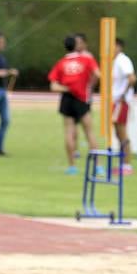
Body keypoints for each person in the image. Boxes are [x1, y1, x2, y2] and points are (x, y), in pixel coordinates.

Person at [47, 35, 101, 175]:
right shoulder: (87, 59)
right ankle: (98, 165)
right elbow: (97, 74)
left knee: (69, 132)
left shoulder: (61, 63)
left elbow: (53, 86)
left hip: (67, 99)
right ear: (76, 46)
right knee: (89, 132)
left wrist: (67, 88)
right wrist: (90, 85)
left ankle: (72, 167)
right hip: (81, 98)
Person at [111, 37, 136, 174]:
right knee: (117, 132)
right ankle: (123, 163)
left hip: (121, 102)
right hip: (115, 101)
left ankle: (127, 165)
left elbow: (131, 78)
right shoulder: (114, 61)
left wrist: (123, 94)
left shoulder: (123, 60)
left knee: (122, 132)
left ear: (119, 46)